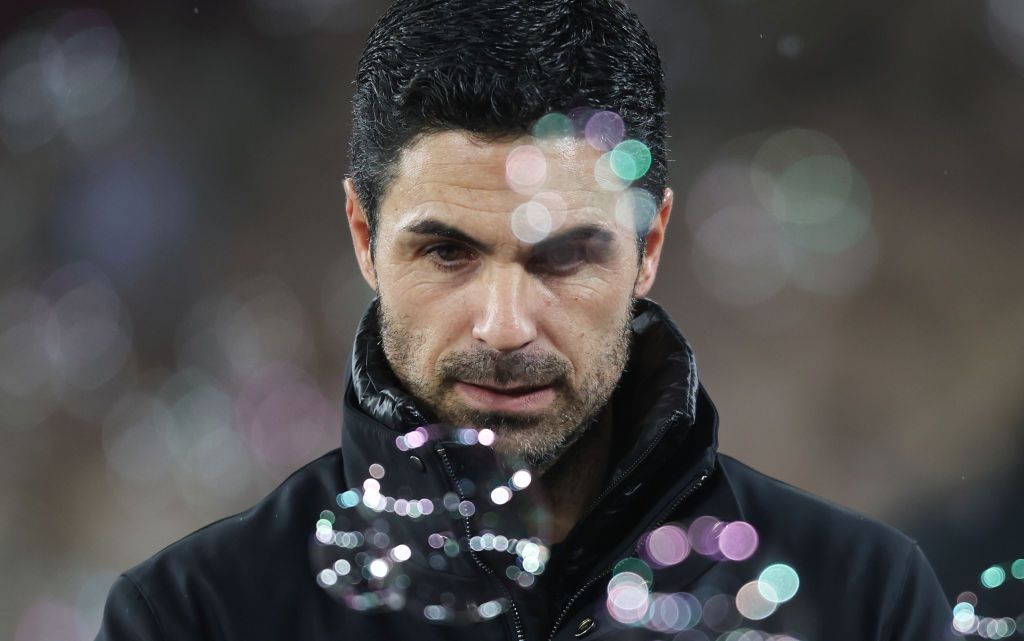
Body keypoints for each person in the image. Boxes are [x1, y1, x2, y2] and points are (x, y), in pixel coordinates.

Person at [96, 1, 953, 639]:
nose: (505, 328)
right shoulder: (193, 615)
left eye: (565, 256)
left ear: (649, 245)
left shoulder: (864, 600)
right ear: (364, 236)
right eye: (447, 253)